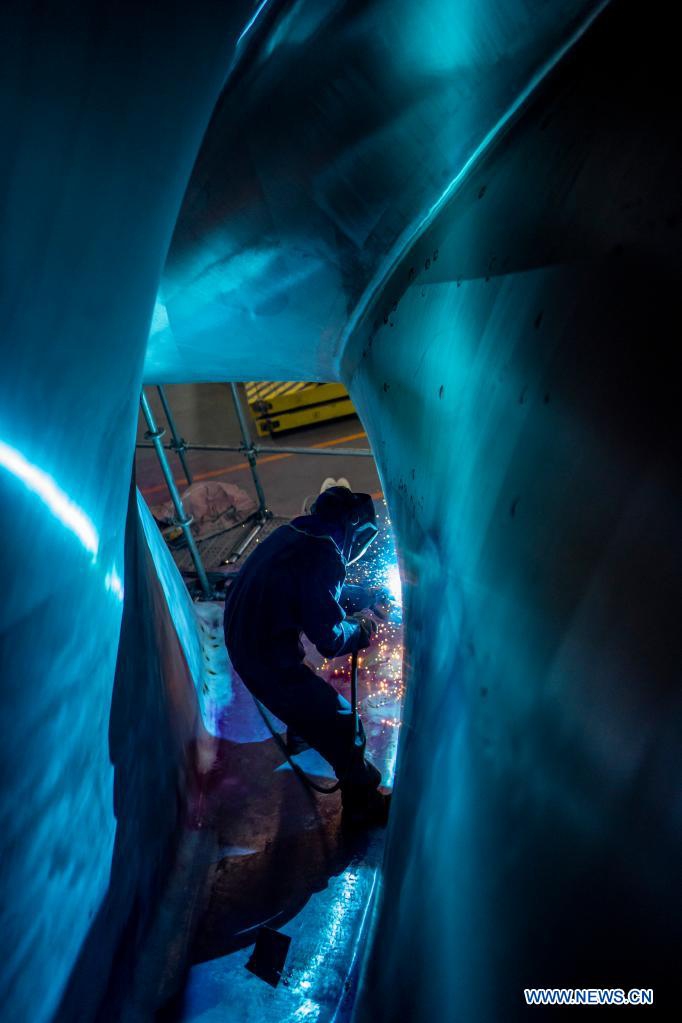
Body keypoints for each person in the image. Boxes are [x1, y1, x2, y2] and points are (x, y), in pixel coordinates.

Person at [223, 486, 390, 827]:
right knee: (344, 723)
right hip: (264, 659)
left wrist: (368, 595)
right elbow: (329, 639)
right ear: (357, 530)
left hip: (243, 637)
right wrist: (362, 630)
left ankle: (303, 729)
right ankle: (363, 806)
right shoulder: (325, 553)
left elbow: (317, 592)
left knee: (306, 688)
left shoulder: (298, 533)